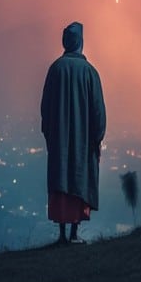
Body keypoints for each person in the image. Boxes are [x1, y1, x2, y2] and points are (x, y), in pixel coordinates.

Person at [40, 21, 106, 244]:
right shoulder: (90, 73)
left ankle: (60, 234)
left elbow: (45, 109)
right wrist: (97, 138)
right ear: (81, 42)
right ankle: (74, 234)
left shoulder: (55, 70)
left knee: (60, 181)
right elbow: (98, 112)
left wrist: (50, 134)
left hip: (59, 143)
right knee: (79, 181)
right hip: (82, 143)